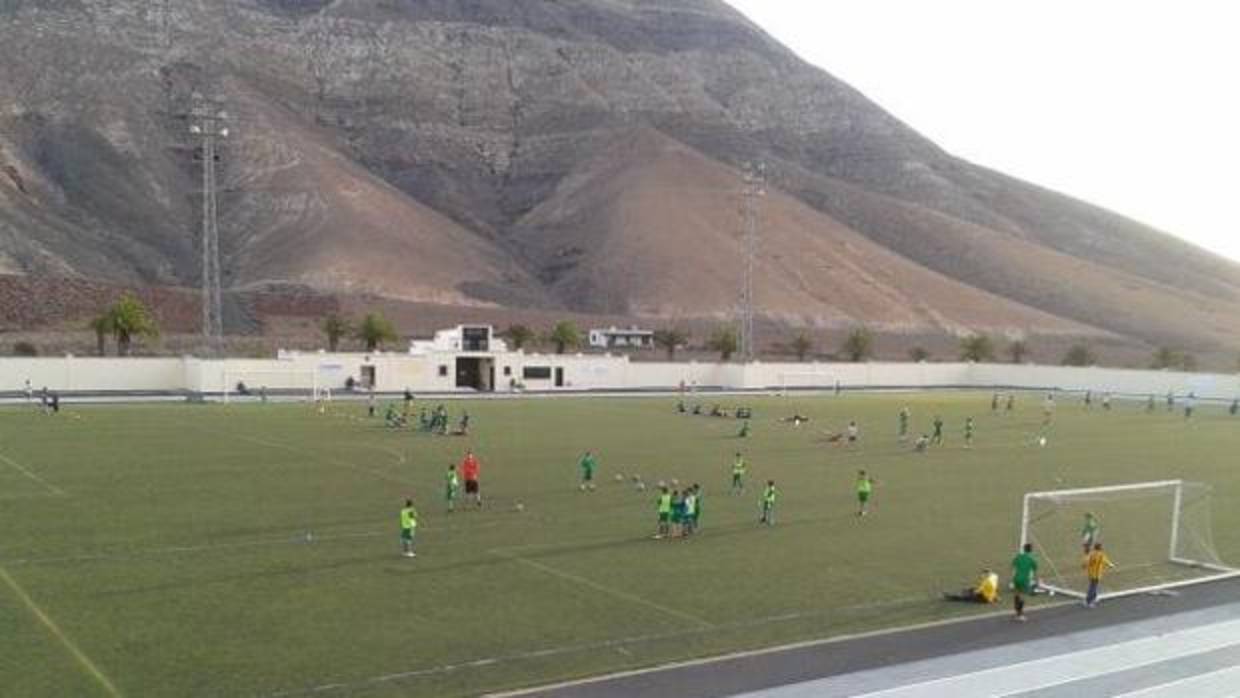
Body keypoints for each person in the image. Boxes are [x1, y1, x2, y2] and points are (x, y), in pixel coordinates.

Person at [1011, 543, 1039, 622]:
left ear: (1024, 549)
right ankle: (1020, 615)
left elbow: (1013, 568)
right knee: (1023, 597)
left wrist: (1012, 579)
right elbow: (1035, 572)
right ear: (1031, 550)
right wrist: (1037, 583)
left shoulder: (1018, 557)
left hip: (1016, 578)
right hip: (1024, 580)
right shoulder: (1032, 560)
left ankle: (1016, 612)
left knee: (1017, 595)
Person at [1084, 543, 1115, 608]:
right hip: (1096, 574)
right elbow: (1105, 561)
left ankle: (1094, 598)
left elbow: (1086, 562)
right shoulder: (1100, 555)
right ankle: (1088, 601)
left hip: (1090, 573)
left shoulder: (1091, 554)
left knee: (1093, 586)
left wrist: (1084, 566)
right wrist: (1111, 565)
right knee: (1093, 588)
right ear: (1100, 548)